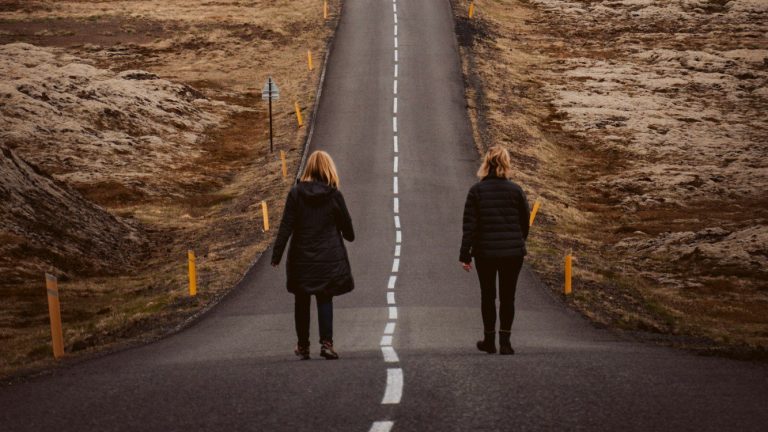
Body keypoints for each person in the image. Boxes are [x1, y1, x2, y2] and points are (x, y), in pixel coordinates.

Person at [271, 150, 355, 360]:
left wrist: (276, 255)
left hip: (301, 257)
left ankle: (303, 346)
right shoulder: (334, 195)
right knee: (325, 297)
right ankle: (327, 344)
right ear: (329, 170)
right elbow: (349, 231)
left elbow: (286, 226)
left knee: (302, 299)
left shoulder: (296, 194)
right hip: (328, 259)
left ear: (308, 169)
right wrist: (343, 232)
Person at [459, 145, 530, 355]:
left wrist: (465, 255)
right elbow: (525, 222)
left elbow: (469, 226)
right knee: (508, 297)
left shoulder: (476, 191)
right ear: (506, 164)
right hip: (512, 254)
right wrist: (517, 242)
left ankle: (489, 340)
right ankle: (505, 342)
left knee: (488, 296)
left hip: (485, 253)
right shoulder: (516, 190)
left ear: (486, 164)